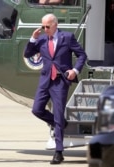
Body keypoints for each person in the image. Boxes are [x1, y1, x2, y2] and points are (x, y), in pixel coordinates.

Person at [24, 13, 87, 164]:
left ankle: (59, 151)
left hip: (60, 80)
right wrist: (33, 39)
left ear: (55, 25)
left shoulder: (67, 37)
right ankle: (61, 124)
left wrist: (75, 70)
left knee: (58, 114)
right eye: (43, 26)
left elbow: (82, 55)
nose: (45, 29)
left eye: (48, 26)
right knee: (37, 110)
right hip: (45, 80)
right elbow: (27, 54)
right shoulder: (42, 39)